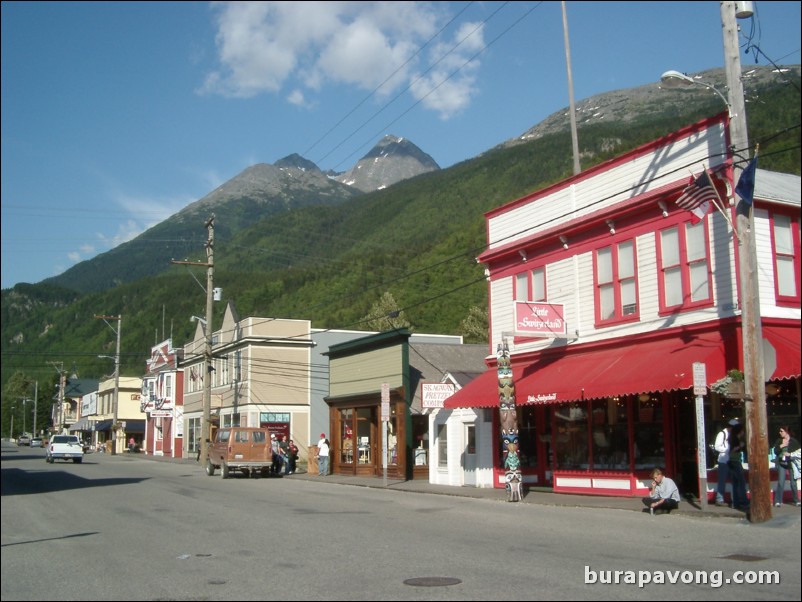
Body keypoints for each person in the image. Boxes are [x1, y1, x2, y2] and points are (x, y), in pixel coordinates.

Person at [772, 426, 801, 507]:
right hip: (782, 463)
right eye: (780, 431)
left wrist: (790, 455)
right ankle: (778, 500)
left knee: (793, 483)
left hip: (791, 464)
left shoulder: (793, 441)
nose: (780, 433)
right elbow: (775, 451)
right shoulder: (779, 441)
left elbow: (799, 452)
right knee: (781, 482)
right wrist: (782, 445)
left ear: (786, 432)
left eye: (781, 431)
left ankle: (796, 500)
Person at [727, 419, 749, 510]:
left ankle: (735, 503)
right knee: (741, 482)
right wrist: (740, 446)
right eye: (743, 430)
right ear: (740, 431)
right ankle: (743, 501)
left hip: (732, 462)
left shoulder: (732, 438)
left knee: (735, 483)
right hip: (735, 461)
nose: (744, 432)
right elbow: (731, 450)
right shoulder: (735, 439)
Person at [713, 421, 732, 506]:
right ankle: (719, 498)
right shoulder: (722, 434)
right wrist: (727, 449)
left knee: (735, 479)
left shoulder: (732, 434)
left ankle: (734, 498)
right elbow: (717, 446)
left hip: (731, 459)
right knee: (722, 480)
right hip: (723, 460)